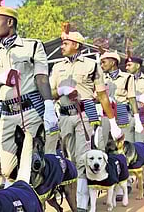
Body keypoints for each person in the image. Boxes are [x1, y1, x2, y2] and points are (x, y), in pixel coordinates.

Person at [0, 3, 59, 182]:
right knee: (4, 167)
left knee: (33, 161)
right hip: (6, 114)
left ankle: (36, 200)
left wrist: (49, 106)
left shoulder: (32, 46)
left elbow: (41, 78)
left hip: (31, 109)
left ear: (10, 22)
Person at [49, 29, 121, 211]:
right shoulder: (57, 67)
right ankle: (74, 198)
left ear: (76, 45)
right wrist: (61, 91)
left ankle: (81, 204)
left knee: (82, 159)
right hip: (64, 117)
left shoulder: (92, 65)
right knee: (68, 159)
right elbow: (50, 93)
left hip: (84, 116)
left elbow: (102, 95)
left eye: (65, 43)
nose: (61, 47)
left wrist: (112, 123)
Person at [100, 52, 141, 143]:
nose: (102, 65)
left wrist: (137, 118)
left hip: (122, 112)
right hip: (106, 114)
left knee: (126, 144)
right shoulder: (101, 78)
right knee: (105, 144)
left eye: (104, 62)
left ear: (112, 62)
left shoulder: (127, 77)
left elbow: (131, 98)